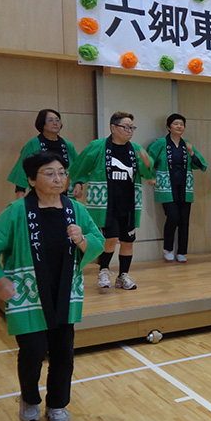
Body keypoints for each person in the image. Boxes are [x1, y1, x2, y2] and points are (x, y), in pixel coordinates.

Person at [0, 152, 105, 421]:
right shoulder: (16, 211)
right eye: (49, 173)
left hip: (64, 294)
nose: (58, 178)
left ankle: (58, 404)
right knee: (33, 353)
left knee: (64, 353)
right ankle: (29, 398)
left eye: (62, 172)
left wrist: (82, 239)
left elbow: (97, 243)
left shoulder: (76, 210)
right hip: (28, 296)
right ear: (31, 179)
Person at [69, 111, 154, 290]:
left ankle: (123, 275)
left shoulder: (136, 149)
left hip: (129, 202)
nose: (130, 131)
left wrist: (147, 164)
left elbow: (147, 174)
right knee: (110, 238)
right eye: (126, 127)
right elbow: (81, 165)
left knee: (128, 241)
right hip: (105, 203)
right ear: (113, 128)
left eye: (132, 127)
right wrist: (78, 182)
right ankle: (104, 270)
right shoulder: (98, 146)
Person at [147, 113, 207, 263]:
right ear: (168, 127)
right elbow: (148, 161)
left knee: (184, 220)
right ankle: (168, 248)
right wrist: (150, 176)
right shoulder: (160, 143)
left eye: (182, 124)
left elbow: (201, 165)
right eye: (175, 124)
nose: (179, 126)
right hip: (167, 186)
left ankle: (181, 251)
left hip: (185, 187)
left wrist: (192, 153)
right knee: (173, 217)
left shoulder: (187, 145)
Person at [7, 109, 78, 198]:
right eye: (51, 120)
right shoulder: (33, 144)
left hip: (65, 191)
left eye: (57, 120)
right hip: (41, 192)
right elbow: (22, 168)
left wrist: (79, 183)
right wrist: (20, 192)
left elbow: (78, 166)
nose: (55, 123)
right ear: (42, 123)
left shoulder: (68, 145)